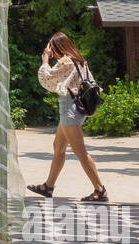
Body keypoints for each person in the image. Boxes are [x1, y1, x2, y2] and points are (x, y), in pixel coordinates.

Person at [27, 31, 108, 202]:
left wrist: (45, 59)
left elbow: (45, 78)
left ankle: (100, 190)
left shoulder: (65, 61)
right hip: (76, 108)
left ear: (57, 48)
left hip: (70, 110)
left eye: (52, 49)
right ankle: (48, 186)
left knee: (80, 152)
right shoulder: (80, 60)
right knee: (58, 146)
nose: (52, 52)